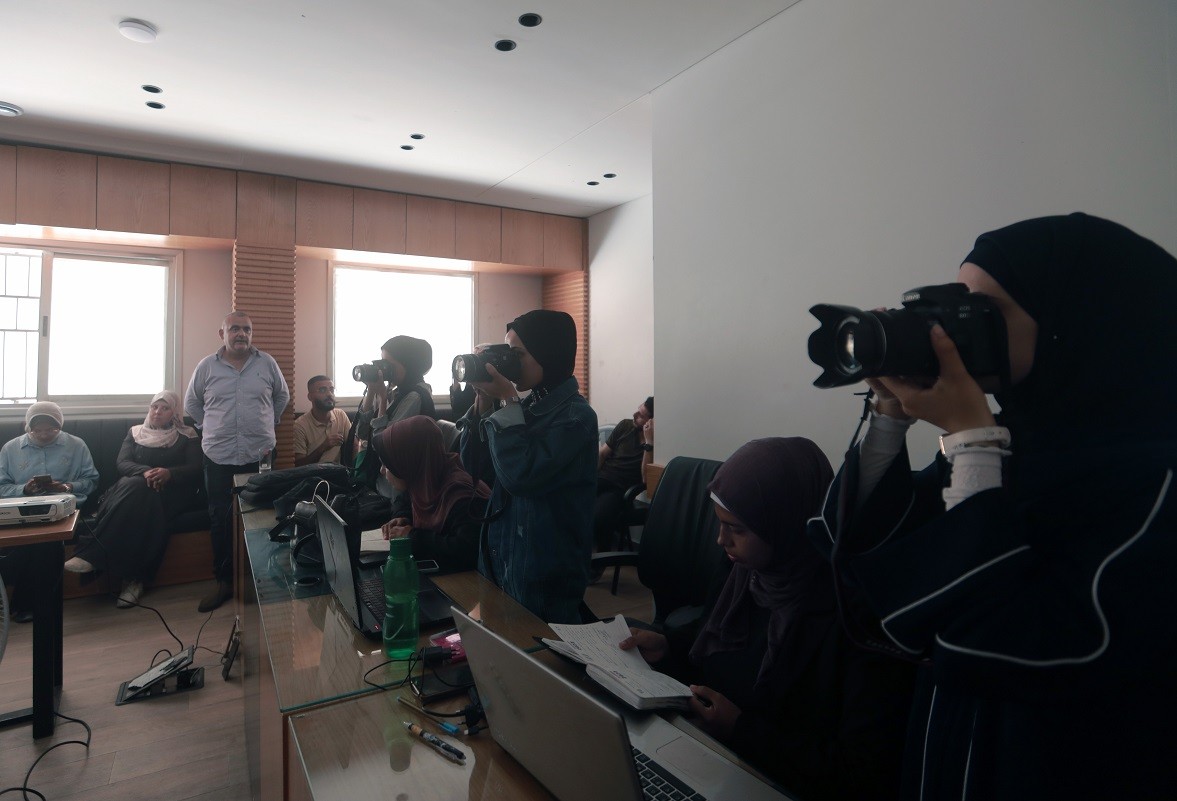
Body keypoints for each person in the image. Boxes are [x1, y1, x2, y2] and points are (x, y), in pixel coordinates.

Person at [810, 213, 1177, 800]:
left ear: (1073, 322)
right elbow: (862, 548)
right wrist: (888, 417)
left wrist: (971, 440)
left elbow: (1015, 639)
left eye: (984, 311)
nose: (952, 333)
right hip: (949, 747)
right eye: (955, 306)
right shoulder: (1012, 441)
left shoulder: (1158, 480)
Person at [621, 437, 914, 800]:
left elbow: (859, 773)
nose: (720, 540)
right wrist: (668, 646)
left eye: (737, 529)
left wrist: (739, 729)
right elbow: (715, 636)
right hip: (712, 757)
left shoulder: (856, 618)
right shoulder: (745, 571)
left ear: (785, 523)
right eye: (720, 524)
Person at [461, 309, 598, 623]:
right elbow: (476, 467)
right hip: (500, 558)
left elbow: (521, 476)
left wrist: (508, 401)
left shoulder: (576, 418)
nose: (511, 363)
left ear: (548, 353)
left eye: (518, 354)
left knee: (538, 650)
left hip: (542, 572)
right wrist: (484, 403)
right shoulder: (526, 407)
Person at [185, 311, 290, 612]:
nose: (241, 334)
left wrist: (268, 423)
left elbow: (281, 397)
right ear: (222, 334)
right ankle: (224, 582)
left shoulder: (267, 363)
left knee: (263, 517)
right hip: (218, 456)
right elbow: (192, 403)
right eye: (234, 329)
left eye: (246, 329)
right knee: (220, 519)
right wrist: (210, 427)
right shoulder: (207, 366)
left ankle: (262, 579)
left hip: (261, 455)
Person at [64, 391, 203, 608]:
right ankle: (134, 580)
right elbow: (123, 463)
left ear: (174, 412)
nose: (157, 412)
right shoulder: (136, 432)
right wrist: (146, 472)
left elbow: (195, 468)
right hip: (135, 489)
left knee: (142, 495)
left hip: (172, 492)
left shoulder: (187, 434)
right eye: (154, 407)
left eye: (165, 408)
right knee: (139, 489)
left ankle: (92, 554)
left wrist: (169, 473)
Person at [0, 402, 99, 622]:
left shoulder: (76, 445)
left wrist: (66, 487)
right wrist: (24, 489)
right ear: (28, 427)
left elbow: (91, 481)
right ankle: (33, 604)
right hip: (22, 508)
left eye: (51, 430)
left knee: (46, 539)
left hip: (64, 508)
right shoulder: (10, 448)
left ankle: (24, 603)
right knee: (36, 540)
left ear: (60, 426)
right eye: (37, 431)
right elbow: (1, 486)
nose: (44, 435)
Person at [370, 415, 490, 573]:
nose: (382, 471)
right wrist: (402, 517)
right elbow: (403, 500)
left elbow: (465, 551)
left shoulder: (463, 496)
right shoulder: (426, 477)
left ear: (408, 461)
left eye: (386, 464)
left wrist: (412, 537)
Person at [351, 335, 435, 489]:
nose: (383, 369)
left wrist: (383, 399)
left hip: (395, 486)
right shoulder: (396, 393)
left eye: (389, 364)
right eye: (382, 363)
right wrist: (371, 391)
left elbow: (384, 446)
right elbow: (362, 434)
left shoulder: (415, 396)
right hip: (378, 480)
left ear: (408, 364)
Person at [594, 396, 653, 553]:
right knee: (570, 500)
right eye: (638, 410)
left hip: (620, 489)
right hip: (601, 479)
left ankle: (602, 558)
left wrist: (649, 443)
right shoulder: (625, 425)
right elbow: (602, 454)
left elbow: (646, 479)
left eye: (641, 415)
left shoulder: (654, 445)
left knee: (600, 517)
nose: (635, 415)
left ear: (651, 422)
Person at [293, 375, 350, 466]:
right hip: (311, 474)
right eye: (322, 390)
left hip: (337, 472)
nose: (329, 394)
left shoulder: (340, 415)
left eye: (331, 390)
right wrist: (323, 447)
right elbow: (299, 464)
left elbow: (354, 444)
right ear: (310, 397)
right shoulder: (299, 426)